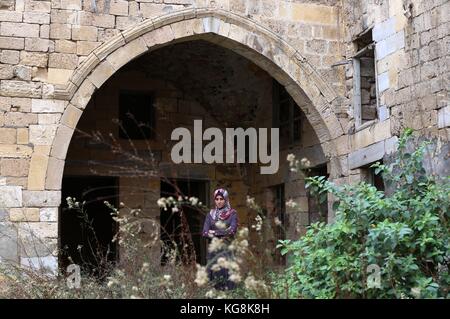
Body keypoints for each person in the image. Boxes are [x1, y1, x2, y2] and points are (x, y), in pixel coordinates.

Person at [202, 188, 238, 290]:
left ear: (225, 199)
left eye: (221, 199)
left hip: (227, 250)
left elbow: (232, 231)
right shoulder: (210, 214)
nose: (218, 201)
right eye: (216, 199)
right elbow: (204, 233)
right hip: (213, 251)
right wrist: (223, 232)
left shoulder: (232, 213)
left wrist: (213, 232)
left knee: (227, 277)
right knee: (213, 278)